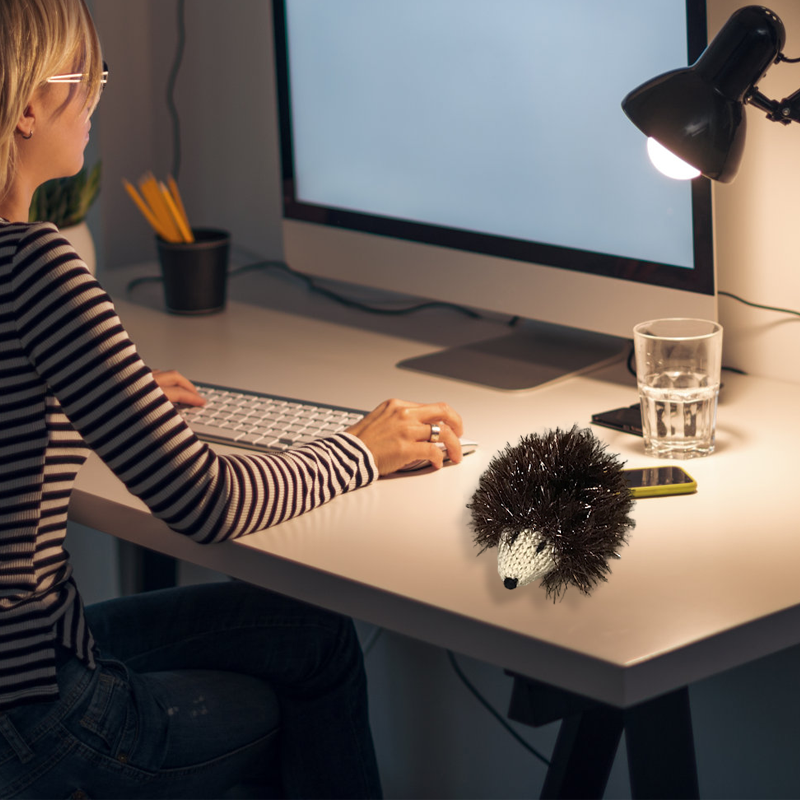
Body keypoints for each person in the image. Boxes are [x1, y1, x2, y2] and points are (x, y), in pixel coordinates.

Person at [0, 1, 465, 797]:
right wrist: (362, 449)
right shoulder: (38, 266)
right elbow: (205, 502)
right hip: (39, 714)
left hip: (28, 676)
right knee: (296, 685)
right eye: (90, 76)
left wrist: (111, 393)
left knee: (306, 631)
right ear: (30, 105)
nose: (98, 99)